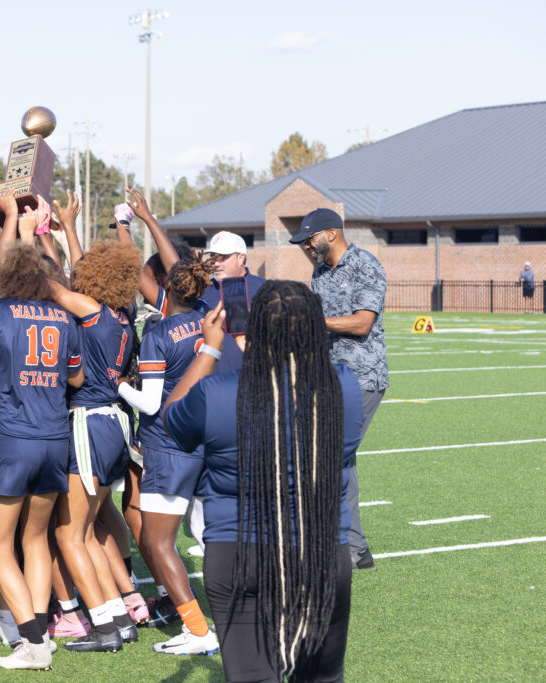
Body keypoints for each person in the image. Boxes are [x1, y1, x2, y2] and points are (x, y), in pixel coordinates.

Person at [163, 280, 363, 682]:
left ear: (253, 331)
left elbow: (172, 419)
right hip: (319, 548)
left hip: (239, 551)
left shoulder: (216, 393)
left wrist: (211, 348)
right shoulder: (344, 386)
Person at [0, 237, 84, 671]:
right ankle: (38, 630)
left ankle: (33, 642)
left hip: (9, 438)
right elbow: (78, 378)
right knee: (35, 540)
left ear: (6, 276)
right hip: (53, 437)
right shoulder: (63, 317)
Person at [116, 258, 222, 656]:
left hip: (168, 442)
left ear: (166, 289)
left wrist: (121, 385)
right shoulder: (203, 315)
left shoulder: (159, 333)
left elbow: (149, 402)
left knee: (157, 542)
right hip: (202, 438)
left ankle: (197, 630)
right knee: (206, 534)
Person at [45, 240, 143, 653]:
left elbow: (51, 288)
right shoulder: (123, 317)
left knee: (68, 533)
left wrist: (19, 236)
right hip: (114, 425)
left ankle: (103, 627)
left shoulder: (94, 313)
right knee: (86, 532)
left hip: (89, 423)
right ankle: (119, 617)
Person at [290, 208, 387, 571]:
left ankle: (341, 547)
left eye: (308, 239)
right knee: (341, 462)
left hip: (363, 378)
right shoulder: (319, 272)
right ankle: (356, 550)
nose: (305, 247)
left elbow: (362, 323)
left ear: (330, 233)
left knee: (331, 457)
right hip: (329, 378)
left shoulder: (366, 265)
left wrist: (310, 319)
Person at [193, 231, 265, 315]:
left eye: (223, 258)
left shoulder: (263, 289)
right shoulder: (202, 290)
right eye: (213, 257)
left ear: (240, 258)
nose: (216, 264)